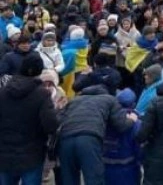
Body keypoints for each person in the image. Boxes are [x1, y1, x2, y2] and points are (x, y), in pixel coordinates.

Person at [58, 81, 136, 185]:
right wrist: (132, 119)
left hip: (65, 140)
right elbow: (121, 125)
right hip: (89, 139)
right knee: (94, 179)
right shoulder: (109, 99)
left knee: (69, 180)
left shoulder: (74, 101)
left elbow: (58, 119)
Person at [0, 53, 59, 184]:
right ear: (39, 71)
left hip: (4, 154)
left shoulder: (3, 92)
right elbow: (51, 124)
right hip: (32, 154)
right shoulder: (42, 94)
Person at [103, 88, 142, 185]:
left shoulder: (105, 119)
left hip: (105, 168)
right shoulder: (136, 123)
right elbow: (139, 149)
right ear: (133, 104)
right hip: (128, 170)